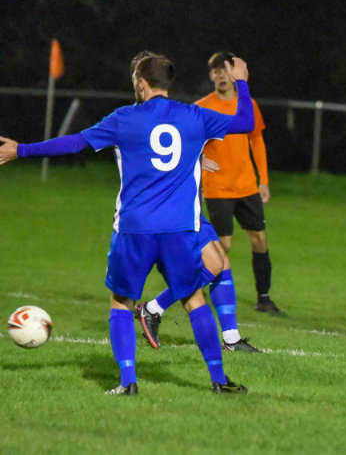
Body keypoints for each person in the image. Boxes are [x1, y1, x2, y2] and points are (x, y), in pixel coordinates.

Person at [0, 51, 256, 396]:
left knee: (121, 302)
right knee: (195, 298)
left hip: (134, 229)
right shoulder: (195, 116)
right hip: (180, 228)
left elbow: (75, 143)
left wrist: (21, 150)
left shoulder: (124, 118)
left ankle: (128, 382)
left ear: (141, 82)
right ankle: (219, 380)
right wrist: (241, 82)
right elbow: (245, 122)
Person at [196, 51, 280, 315]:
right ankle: (198, 290)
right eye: (216, 71)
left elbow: (256, 140)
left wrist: (263, 179)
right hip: (217, 187)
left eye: (225, 70)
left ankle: (264, 298)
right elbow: (190, 142)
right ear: (211, 75)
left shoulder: (247, 104)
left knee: (259, 239)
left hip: (246, 186)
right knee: (223, 246)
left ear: (233, 74)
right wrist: (198, 163)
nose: (221, 76)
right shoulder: (202, 107)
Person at [137, 213, 261, 353]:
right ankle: (153, 308)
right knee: (214, 265)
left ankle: (232, 339)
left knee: (223, 264)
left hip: (194, 208)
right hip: (181, 208)